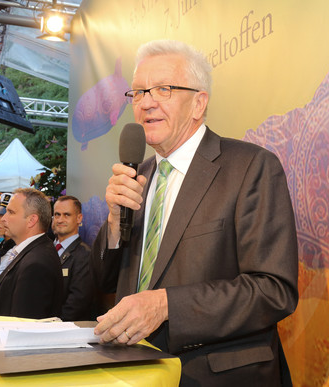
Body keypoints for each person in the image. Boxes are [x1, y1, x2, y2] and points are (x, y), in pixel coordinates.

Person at [91, 40, 299, 386]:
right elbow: (104, 282)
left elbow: (274, 290)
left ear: (199, 102)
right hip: (138, 372)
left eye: (163, 89)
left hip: (217, 376)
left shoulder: (250, 167)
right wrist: (114, 224)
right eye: (139, 92)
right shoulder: (138, 176)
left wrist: (167, 304)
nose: (147, 102)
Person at [0, 188, 63, 319]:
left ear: (31, 220)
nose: (4, 219)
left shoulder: (36, 264)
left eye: (11, 212)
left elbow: (23, 326)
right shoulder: (33, 252)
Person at [52, 195, 95, 321]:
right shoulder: (46, 249)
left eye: (67, 215)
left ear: (79, 218)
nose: (60, 219)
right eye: (57, 214)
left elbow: (77, 302)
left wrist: (54, 327)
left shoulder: (85, 255)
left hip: (63, 328)